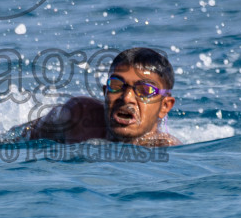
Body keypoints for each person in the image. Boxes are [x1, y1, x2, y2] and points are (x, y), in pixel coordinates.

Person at [20, 47, 179, 147]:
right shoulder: (77, 116)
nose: (127, 98)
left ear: (165, 106)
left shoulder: (165, 151)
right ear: (105, 92)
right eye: (117, 86)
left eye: (144, 90)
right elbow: (19, 137)